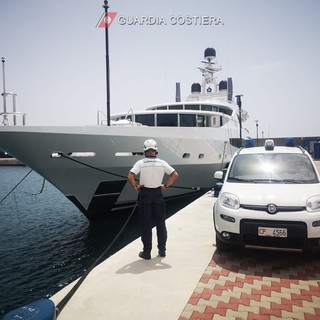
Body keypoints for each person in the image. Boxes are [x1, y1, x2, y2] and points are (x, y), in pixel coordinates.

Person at [127, 139, 179, 260]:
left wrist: (136, 186)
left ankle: (147, 252)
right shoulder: (162, 162)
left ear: (144, 150)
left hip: (145, 194)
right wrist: (165, 185)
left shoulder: (140, 163)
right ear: (156, 150)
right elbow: (175, 174)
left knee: (146, 224)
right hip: (157, 194)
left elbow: (130, 176)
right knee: (161, 223)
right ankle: (162, 250)